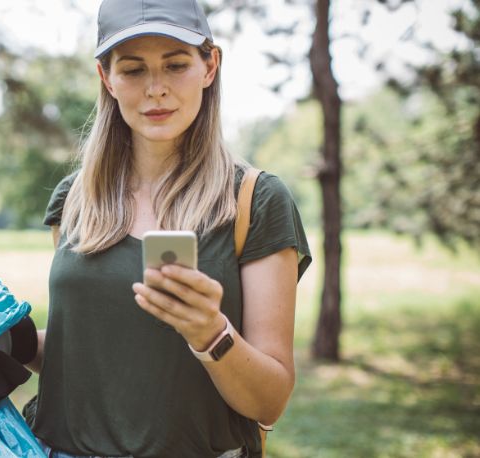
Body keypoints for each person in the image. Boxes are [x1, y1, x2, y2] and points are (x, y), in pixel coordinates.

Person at [23, 0, 312, 457]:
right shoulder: (74, 199)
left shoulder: (255, 200)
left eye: (176, 65)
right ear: (106, 78)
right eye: (133, 70)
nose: (156, 89)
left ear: (209, 66)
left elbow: (270, 401)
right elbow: (83, 355)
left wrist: (210, 333)